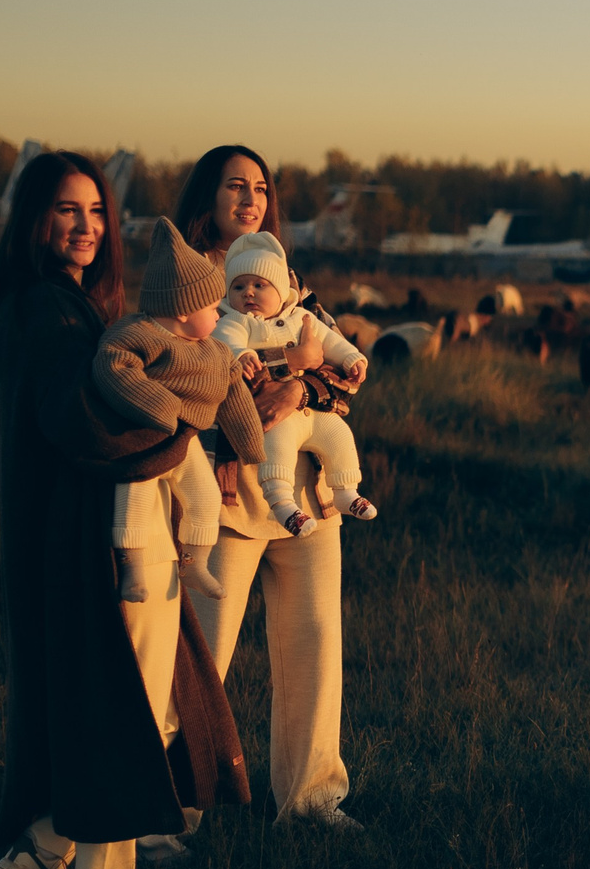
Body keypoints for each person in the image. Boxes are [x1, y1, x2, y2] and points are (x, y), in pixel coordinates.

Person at [0, 150, 250, 869]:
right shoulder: (46, 310)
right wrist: (183, 426)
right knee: (118, 713)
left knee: (110, 704)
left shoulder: (67, 306)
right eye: (68, 210)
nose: (87, 227)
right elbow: (81, 424)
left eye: (97, 212)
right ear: (34, 218)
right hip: (88, 539)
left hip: (84, 533)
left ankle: (42, 850)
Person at [173, 144, 361, 832]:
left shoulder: (289, 277)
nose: (249, 199)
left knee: (314, 639)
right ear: (208, 196)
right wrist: (280, 372)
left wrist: (298, 385)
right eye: (234, 186)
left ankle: (312, 799)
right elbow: (184, 375)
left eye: (259, 188)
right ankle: (174, 810)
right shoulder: (190, 284)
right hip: (221, 494)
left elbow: (341, 371)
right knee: (199, 654)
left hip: (305, 495)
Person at [93, 220, 264, 602]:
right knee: (133, 494)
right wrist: (160, 406)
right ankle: (132, 568)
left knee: (204, 498)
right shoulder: (140, 335)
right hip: (145, 438)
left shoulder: (215, 351)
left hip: (186, 442)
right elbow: (113, 366)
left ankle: (195, 562)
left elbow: (233, 392)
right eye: (211, 306)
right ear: (184, 310)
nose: (220, 314)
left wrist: (252, 447)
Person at [214, 232, 378, 535]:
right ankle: (283, 504)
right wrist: (244, 354)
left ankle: (345, 491)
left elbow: (330, 341)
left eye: (259, 285)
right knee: (278, 449)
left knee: (339, 434)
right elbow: (225, 344)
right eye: (238, 287)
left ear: (281, 292)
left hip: (311, 412)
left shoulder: (303, 316)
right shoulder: (234, 321)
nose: (248, 293)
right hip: (278, 419)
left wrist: (353, 358)